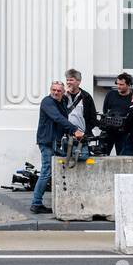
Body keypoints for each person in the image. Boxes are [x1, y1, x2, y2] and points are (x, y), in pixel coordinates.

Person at [31, 79, 84, 214]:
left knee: (60, 169)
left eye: (58, 90)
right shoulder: (47, 102)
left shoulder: (63, 102)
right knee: (46, 171)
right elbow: (57, 118)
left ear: (62, 92)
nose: (55, 92)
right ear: (50, 90)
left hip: (57, 141)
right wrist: (74, 130)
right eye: (53, 90)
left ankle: (62, 200)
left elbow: (63, 119)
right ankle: (36, 203)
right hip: (47, 141)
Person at [62, 69, 98, 160]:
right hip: (65, 136)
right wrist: (64, 95)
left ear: (78, 82)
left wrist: (86, 132)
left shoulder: (86, 97)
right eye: (67, 80)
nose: (68, 82)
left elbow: (92, 117)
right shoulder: (62, 97)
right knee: (63, 161)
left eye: (71, 80)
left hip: (81, 137)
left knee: (82, 159)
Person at [101, 72, 133, 154]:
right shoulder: (111, 94)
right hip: (109, 130)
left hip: (124, 132)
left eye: (121, 84)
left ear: (129, 85)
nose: (118, 86)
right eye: (117, 84)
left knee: (122, 155)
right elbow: (105, 110)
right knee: (103, 154)